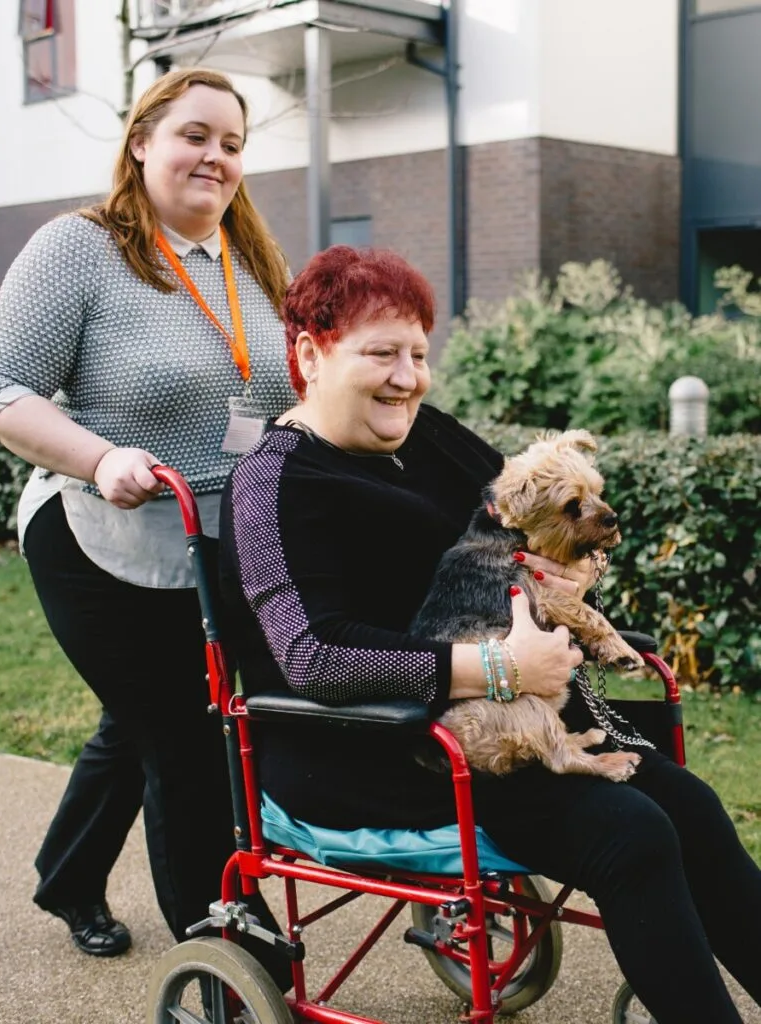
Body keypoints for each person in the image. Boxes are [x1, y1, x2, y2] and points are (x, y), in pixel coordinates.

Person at [218, 245, 761, 1024]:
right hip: (364, 751)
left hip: (501, 732)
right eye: (381, 354)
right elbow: (312, 655)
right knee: (631, 833)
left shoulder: (431, 435)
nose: (406, 376)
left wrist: (575, 584)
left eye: (417, 353)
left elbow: (540, 531)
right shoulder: (273, 481)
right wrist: (499, 667)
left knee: (688, 803)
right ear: (310, 353)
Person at [0, 68, 295, 962]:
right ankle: (222, 936)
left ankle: (68, 876)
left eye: (232, 144)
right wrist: (99, 454)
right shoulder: (79, 248)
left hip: (213, 541)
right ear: (141, 142)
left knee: (145, 716)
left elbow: (294, 393)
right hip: (93, 530)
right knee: (185, 730)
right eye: (195, 135)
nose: (215, 158)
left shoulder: (256, 263)